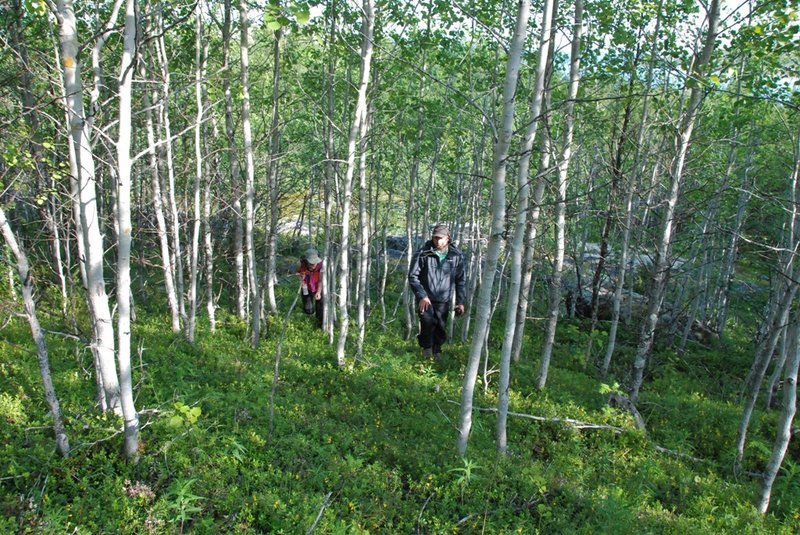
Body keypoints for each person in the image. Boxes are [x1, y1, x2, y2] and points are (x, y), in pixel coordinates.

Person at [408, 224, 466, 359]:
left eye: (440, 238)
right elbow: (413, 276)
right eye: (435, 238)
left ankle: (437, 350)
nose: (437, 241)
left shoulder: (456, 256)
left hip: (444, 298)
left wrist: (460, 302)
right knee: (427, 323)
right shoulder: (423, 253)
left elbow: (460, 280)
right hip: (425, 298)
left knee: (440, 325)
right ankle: (427, 350)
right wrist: (422, 295)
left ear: (448, 239)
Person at [297, 247, 323, 327]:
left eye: (315, 262)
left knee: (320, 307)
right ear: (307, 261)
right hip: (306, 287)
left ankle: (319, 324)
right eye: (311, 263)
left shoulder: (321, 265)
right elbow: (298, 273)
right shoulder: (300, 264)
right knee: (308, 308)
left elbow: (321, 280)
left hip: (318, 286)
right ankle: (309, 319)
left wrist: (318, 292)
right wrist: (301, 279)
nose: (314, 264)